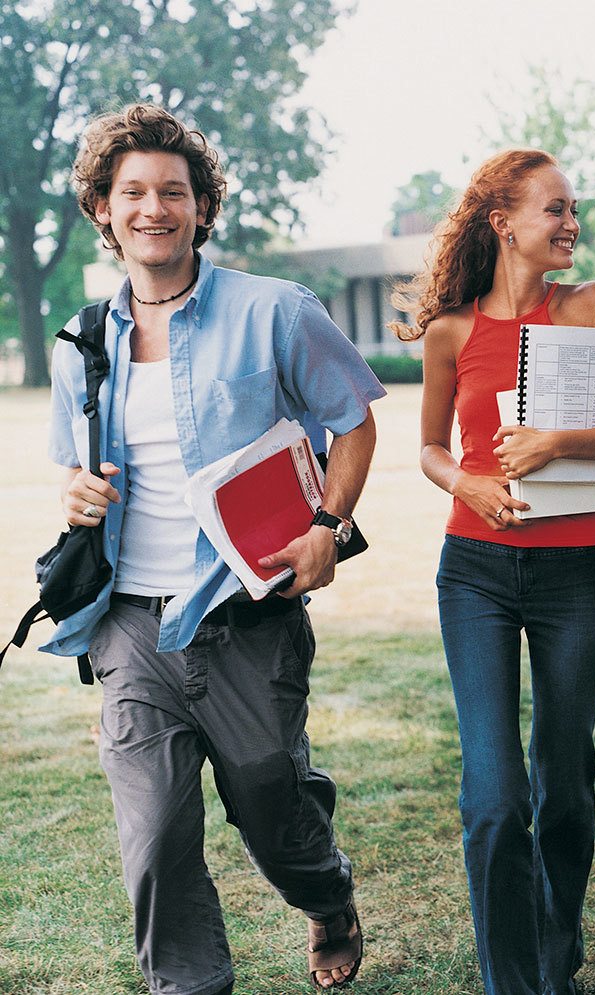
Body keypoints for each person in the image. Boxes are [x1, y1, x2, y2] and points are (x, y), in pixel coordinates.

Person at [45, 103, 385, 994]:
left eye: (173, 191)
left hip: (245, 612)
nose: (152, 208)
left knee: (273, 806)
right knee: (155, 838)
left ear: (202, 206)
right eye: (132, 193)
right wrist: (78, 493)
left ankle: (328, 899)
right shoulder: (81, 339)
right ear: (102, 209)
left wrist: (327, 527)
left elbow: (352, 424)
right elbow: (81, 475)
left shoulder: (275, 310)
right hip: (127, 623)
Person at [394, 148, 595, 995]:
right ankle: (515, 982)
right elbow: (433, 449)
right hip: (473, 571)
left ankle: (557, 946)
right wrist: (465, 479)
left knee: (564, 778)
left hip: (574, 572)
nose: (572, 223)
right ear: (504, 223)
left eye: (573, 208)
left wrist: (558, 444)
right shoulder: (452, 333)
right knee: (494, 793)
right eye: (556, 209)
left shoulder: (590, 307)